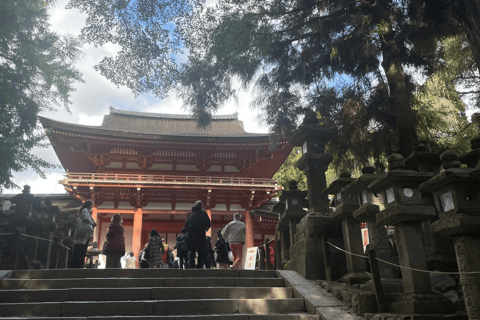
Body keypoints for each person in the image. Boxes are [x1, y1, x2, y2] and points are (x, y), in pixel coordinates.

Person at [185, 200, 211, 268]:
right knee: (201, 252)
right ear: (201, 206)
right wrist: (205, 228)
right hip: (201, 235)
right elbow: (208, 224)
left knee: (191, 252)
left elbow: (186, 225)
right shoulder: (203, 213)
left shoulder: (190, 213)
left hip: (191, 235)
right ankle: (200, 267)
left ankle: (191, 265)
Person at [71, 200, 96, 268]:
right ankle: (77, 266)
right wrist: (92, 223)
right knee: (80, 251)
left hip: (84, 235)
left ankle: (78, 266)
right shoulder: (85, 210)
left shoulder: (85, 211)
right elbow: (85, 219)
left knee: (80, 250)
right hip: (82, 234)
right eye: (92, 205)